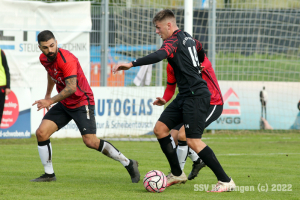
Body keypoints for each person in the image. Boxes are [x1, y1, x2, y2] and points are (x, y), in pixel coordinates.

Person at [113, 9, 235, 192]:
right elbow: (200, 49)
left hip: (197, 96)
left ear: (169, 26)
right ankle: (177, 173)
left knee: (192, 140)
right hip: (184, 96)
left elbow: (159, 55)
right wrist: (198, 64)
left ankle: (226, 181)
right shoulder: (189, 38)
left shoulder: (173, 41)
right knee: (160, 129)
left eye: (158, 27)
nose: (157, 31)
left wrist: (132, 63)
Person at [31, 30, 140, 183]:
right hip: (64, 102)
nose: (49, 50)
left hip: (82, 101)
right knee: (41, 133)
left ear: (56, 42)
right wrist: (48, 95)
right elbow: (51, 74)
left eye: (52, 46)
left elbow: (71, 88)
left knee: (90, 141)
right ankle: (49, 175)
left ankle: (129, 163)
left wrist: (50, 101)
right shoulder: (44, 58)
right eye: (45, 47)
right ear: (40, 48)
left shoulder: (66, 59)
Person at [165, 55, 223, 181]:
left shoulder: (192, 56)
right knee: (173, 136)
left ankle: (177, 174)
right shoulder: (171, 66)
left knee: (183, 135)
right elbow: (171, 87)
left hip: (212, 103)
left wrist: (200, 67)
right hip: (191, 103)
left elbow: (206, 62)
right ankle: (198, 160)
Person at [0, 48, 11, 125]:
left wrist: (8, 86)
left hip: (1, 86)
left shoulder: (1, 52)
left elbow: (6, 69)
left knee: (0, 111)